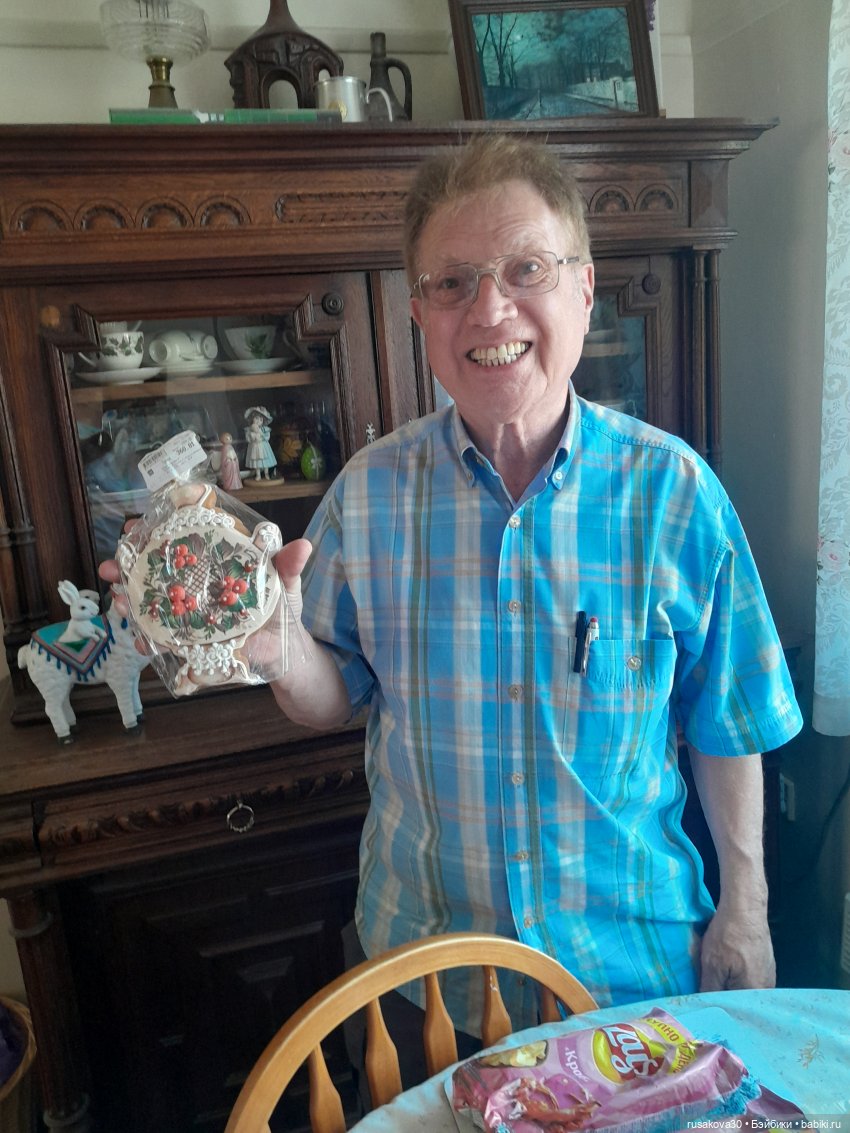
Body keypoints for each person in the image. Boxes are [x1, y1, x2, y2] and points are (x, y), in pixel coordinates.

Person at [102, 133, 802, 1088]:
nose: (490, 308)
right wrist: (274, 647)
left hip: (633, 980)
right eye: (453, 282)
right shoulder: (367, 494)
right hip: (424, 989)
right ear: (419, 314)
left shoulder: (675, 493)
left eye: (526, 269)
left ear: (585, 290)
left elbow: (732, 719)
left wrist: (746, 908)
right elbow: (332, 695)